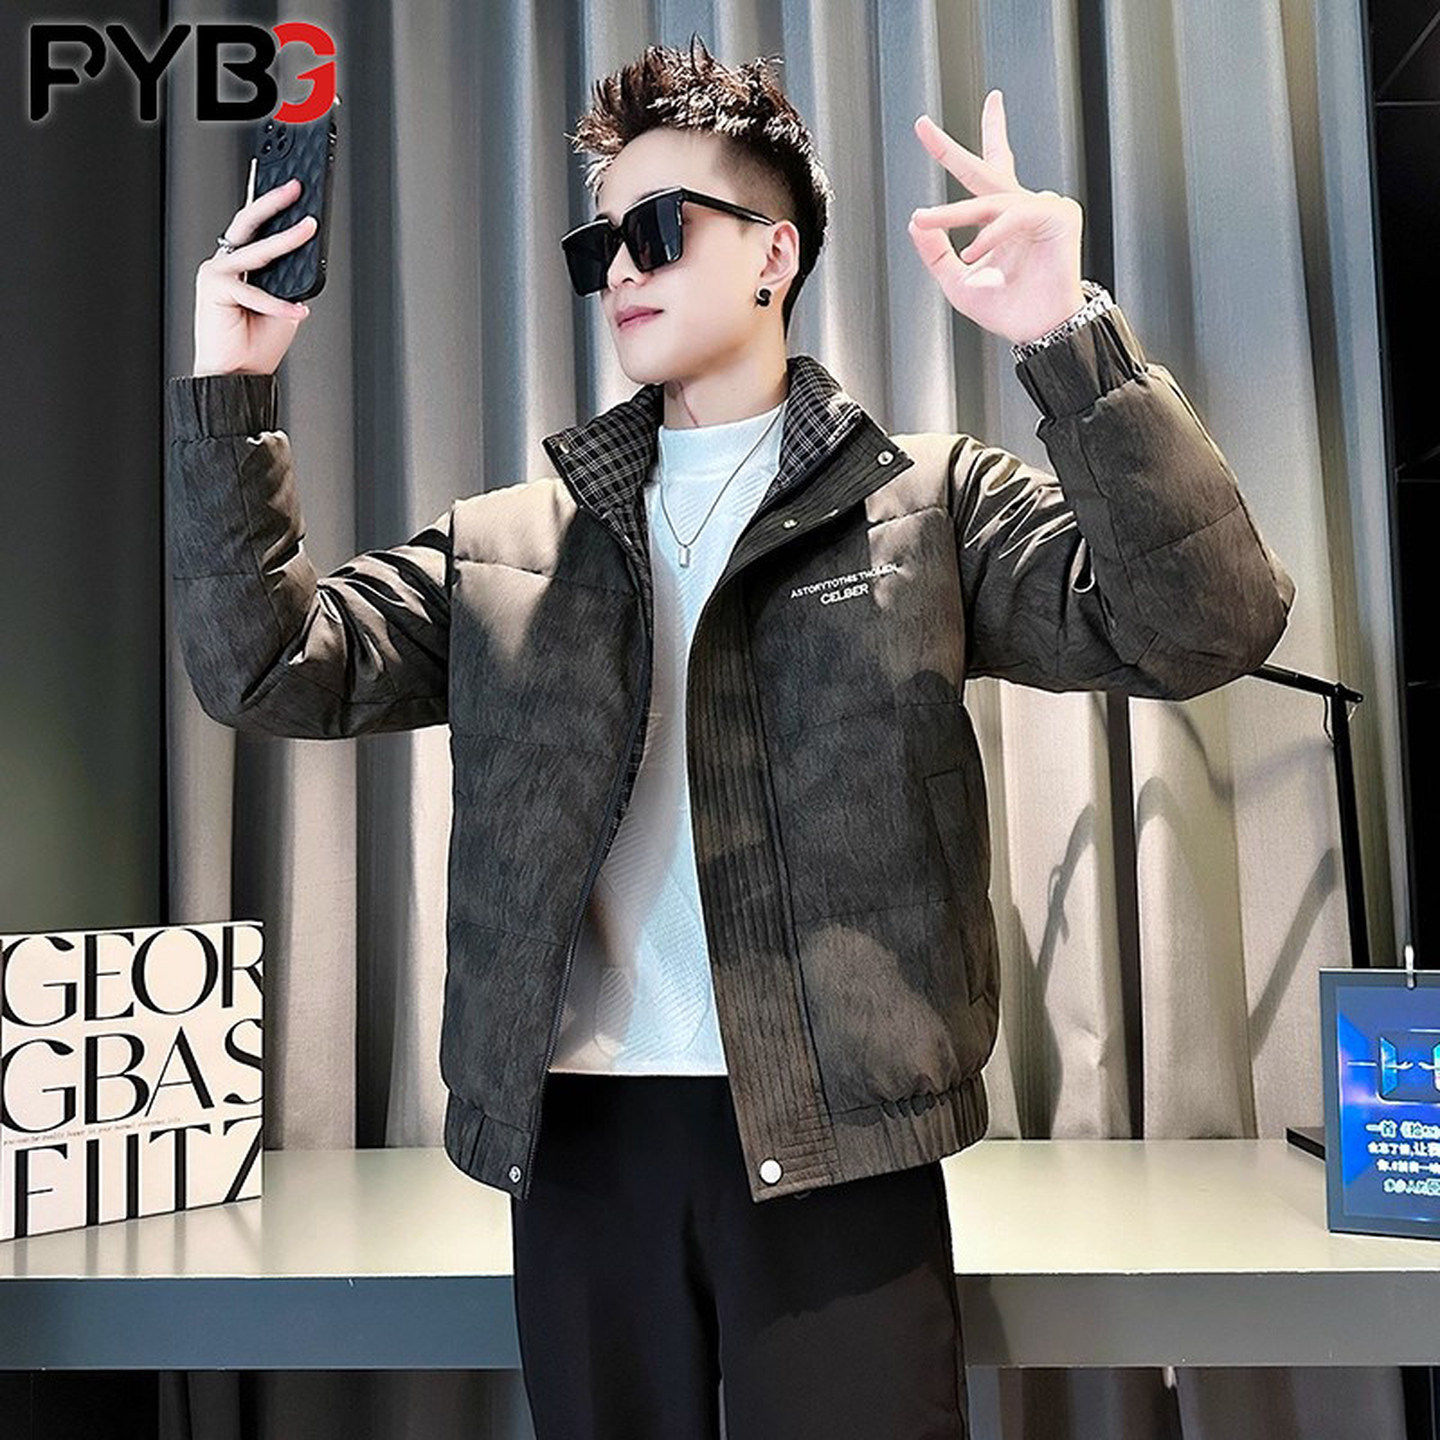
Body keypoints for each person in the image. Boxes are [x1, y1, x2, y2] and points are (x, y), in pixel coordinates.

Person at [165, 33, 1295, 1440]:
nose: (619, 272)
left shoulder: (922, 509)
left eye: (655, 230)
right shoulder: (510, 547)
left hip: (845, 1141)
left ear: (774, 254)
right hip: (581, 1151)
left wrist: (1069, 338)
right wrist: (231, 391)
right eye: (598, 247)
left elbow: (1207, 627)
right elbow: (265, 670)